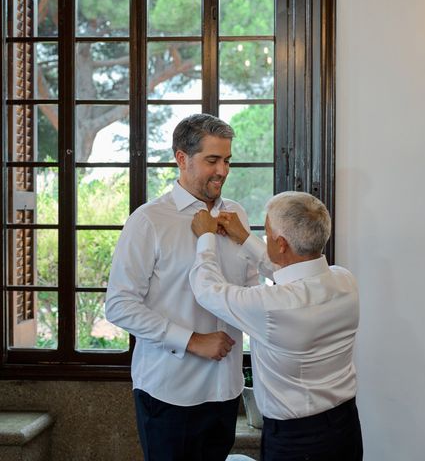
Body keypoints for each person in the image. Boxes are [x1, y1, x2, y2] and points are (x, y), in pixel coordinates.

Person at [106, 113, 257, 461]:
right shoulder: (148, 221)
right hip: (169, 392)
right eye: (212, 160)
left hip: (226, 390)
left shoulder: (237, 216)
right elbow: (119, 305)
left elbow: (249, 293)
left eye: (227, 160)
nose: (223, 170)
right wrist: (192, 341)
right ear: (181, 158)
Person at [189, 191, 364, 461]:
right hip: (345, 427)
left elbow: (207, 290)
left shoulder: (272, 306)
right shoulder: (345, 281)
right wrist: (246, 239)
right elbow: (292, 271)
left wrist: (205, 237)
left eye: (268, 234)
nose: (265, 237)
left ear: (281, 244)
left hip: (298, 442)